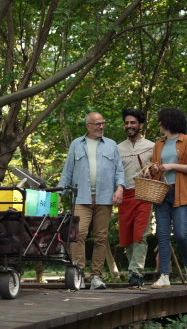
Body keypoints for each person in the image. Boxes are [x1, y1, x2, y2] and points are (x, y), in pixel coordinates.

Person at [58, 112, 125, 290]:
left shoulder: (111, 145)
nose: (101, 127)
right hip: (81, 197)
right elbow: (67, 171)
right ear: (88, 126)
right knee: (78, 235)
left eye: (103, 123)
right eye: (97, 124)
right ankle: (78, 274)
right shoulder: (76, 144)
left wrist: (120, 188)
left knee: (101, 238)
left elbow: (119, 170)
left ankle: (96, 277)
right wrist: (59, 193)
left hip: (104, 198)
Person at [149, 107, 187, 289]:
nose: (159, 124)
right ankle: (164, 276)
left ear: (168, 122)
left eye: (161, 121)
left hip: (181, 192)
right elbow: (153, 170)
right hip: (162, 192)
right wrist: (154, 169)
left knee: (180, 233)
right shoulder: (158, 144)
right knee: (162, 235)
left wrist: (171, 165)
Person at [117, 108, 154, 288]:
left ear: (140, 124)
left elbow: (158, 171)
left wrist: (151, 173)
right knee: (127, 235)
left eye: (133, 123)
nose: (129, 126)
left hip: (144, 194)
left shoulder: (152, 146)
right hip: (124, 196)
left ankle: (135, 273)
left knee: (140, 234)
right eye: (127, 123)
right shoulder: (118, 148)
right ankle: (134, 272)